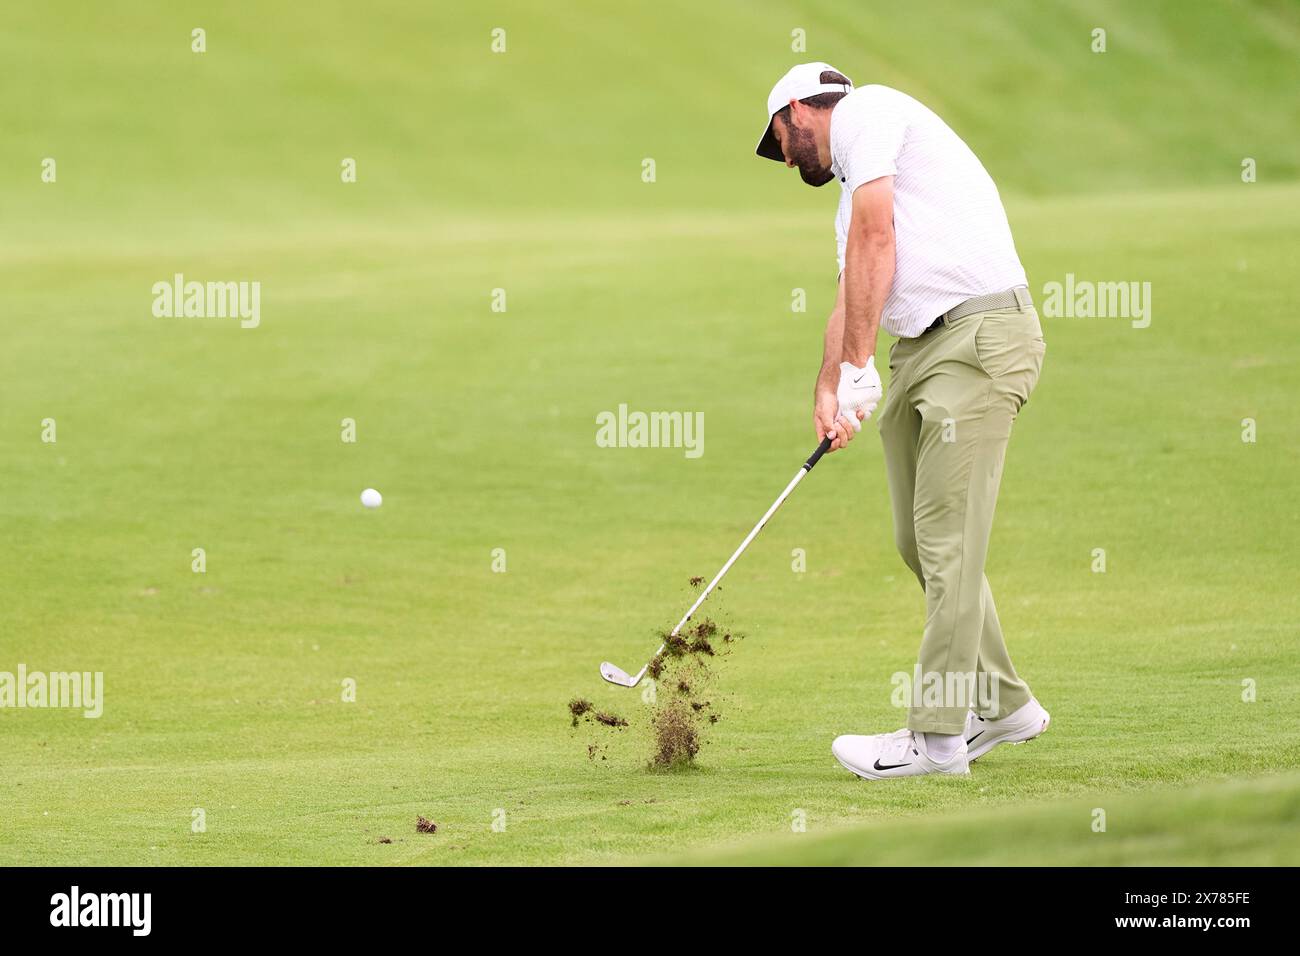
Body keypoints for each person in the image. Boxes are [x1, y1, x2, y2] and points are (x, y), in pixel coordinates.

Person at [755, 63, 1051, 779]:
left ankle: (937, 740)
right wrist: (831, 387)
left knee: (948, 545)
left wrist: (859, 366)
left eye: (781, 141)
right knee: (919, 542)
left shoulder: (869, 114)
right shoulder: (852, 190)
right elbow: (854, 280)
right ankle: (1005, 704)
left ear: (799, 109)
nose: (786, 158)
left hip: (977, 340)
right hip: (921, 351)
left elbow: (879, 242)